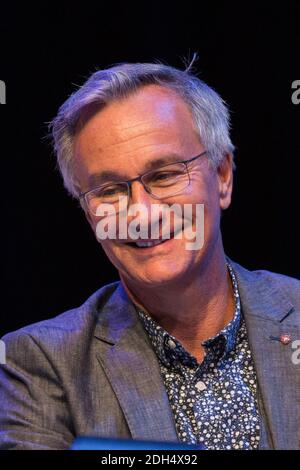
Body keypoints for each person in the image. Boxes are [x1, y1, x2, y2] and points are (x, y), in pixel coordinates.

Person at [0, 61, 299, 450]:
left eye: (164, 175)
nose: (141, 213)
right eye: (109, 190)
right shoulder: (37, 367)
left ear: (223, 176)